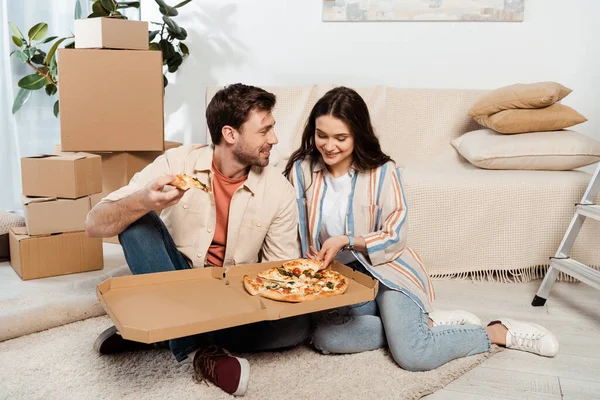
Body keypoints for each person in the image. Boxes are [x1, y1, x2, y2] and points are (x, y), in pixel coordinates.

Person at [284, 86, 559, 372]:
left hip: (386, 271)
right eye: (322, 135)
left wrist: (348, 240)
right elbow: (287, 224)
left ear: (358, 134)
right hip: (338, 281)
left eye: (341, 137)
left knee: (414, 355)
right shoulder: (301, 169)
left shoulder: (383, 171)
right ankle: (424, 324)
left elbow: (395, 235)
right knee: (325, 336)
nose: (329, 146)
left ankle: (497, 332)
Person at [85, 83, 310, 396]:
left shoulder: (279, 191)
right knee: (136, 220)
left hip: (232, 296)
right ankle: (200, 350)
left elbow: (277, 274)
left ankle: (160, 331)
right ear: (230, 134)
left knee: (296, 326)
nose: (274, 139)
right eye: (265, 130)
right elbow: (93, 223)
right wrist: (145, 201)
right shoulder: (176, 163)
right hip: (177, 284)